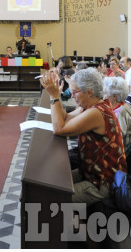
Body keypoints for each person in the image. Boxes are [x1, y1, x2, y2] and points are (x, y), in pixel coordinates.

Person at [40, 68, 126, 204]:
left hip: (102, 183)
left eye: (75, 92)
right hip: (88, 172)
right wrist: (56, 95)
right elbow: (66, 118)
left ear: (89, 92)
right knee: (47, 182)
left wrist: (54, 96)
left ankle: (71, 223)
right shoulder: (89, 106)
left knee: (51, 199)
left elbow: (59, 129)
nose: (72, 96)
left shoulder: (97, 112)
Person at [103, 76, 131, 156]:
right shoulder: (116, 107)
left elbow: (117, 139)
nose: (103, 96)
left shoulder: (122, 112)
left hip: (119, 154)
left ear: (114, 96)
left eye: (105, 93)